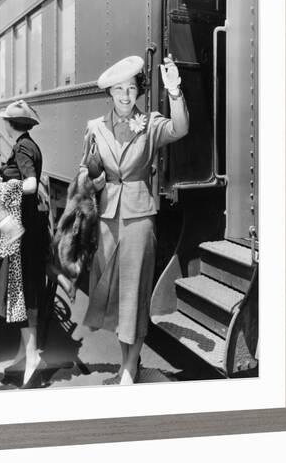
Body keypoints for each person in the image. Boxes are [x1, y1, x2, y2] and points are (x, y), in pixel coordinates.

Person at [80, 54, 189, 386]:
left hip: (140, 218)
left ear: (137, 91)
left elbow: (180, 127)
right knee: (114, 293)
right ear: (110, 93)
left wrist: (174, 91)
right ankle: (127, 361)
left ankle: (129, 368)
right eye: (118, 90)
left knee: (135, 293)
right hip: (107, 218)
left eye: (130, 88)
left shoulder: (151, 123)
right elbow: (86, 172)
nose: (125, 96)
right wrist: (94, 177)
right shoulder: (95, 128)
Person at [0, 100, 46, 389]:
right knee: (23, 291)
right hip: (27, 226)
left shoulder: (23, 148)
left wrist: (2, 187)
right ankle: (23, 354)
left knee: (25, 291)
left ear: (10, 124)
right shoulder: (27, 144)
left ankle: (31, 357)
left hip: (23, 228)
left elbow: (30, 183)